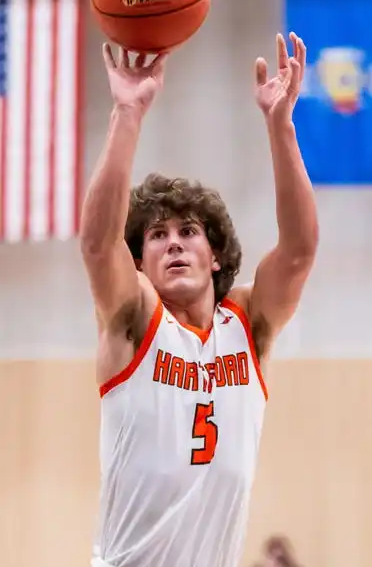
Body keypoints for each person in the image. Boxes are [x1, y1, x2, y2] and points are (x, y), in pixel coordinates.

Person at [81, 33, 318, 567]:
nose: (174, 242)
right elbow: (97, 245)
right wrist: (127, 112)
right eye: (157, 235)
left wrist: (281, 127)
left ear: (215, 256)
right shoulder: (133, 321)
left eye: (188, 231)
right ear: (139, 262)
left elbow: (300, 252)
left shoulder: (249, 325)